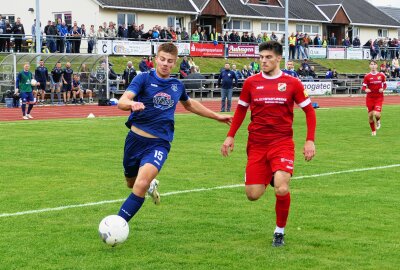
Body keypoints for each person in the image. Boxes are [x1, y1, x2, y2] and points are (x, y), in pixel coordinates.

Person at [115, 43, 232, 225]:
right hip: (135, 140)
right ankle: (151, 184)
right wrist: (132, 104)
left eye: (170, 61)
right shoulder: (143, 79)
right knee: (131, 183)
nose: (165, 64)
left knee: (140, 184)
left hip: (159, 144)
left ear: (175, 63)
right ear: (156, 59)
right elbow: (123, 101)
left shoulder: (177, 85)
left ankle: (117, 224)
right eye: (162, 59)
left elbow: (190, 104)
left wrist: (216, 116)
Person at [221, 41, 316, 247]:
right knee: (252, 195)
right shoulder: (251, 83)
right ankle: (272, 175)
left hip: (282, 142)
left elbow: (309, 111)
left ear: (278, 58)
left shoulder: (292, 83)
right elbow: (241, 111)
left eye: (268, 57)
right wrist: (230, 136)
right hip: (256, 144)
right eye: (261, 57)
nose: (263, 61)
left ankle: (279, 232)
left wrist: (310, 140)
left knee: (281, 188)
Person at [362, 60, 387, 136]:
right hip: (370, 98)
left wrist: (383, 89)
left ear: (377, 66)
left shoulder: (381, 75)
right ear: (369, 66)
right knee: (370, 116)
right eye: (371, 64)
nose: (373, 66)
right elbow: (363, 86)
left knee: (376, 114)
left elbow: (385, 85)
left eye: (374, 64)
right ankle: (373, 131)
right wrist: (366, 89)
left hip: (379, 97)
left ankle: (378, 121)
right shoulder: (367, 76)